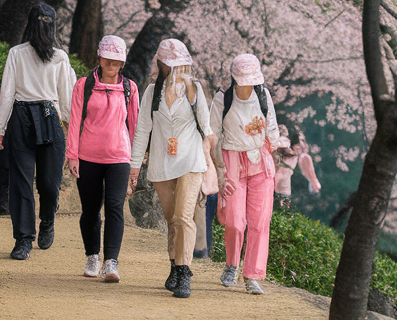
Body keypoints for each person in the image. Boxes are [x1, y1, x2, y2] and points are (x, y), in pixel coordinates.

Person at [129, 37, 214, 299]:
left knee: (183, 217)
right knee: (171, 220)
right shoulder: (151, 92)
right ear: (163, 64)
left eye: (181, 64)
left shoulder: (195, 89)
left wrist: (190, 94)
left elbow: (207, 128)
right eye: (172, 65)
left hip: (190, 161)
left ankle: (184, 272)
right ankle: (174, 265)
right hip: (162, 163)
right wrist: (133, 168)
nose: (177, 70)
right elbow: (142, 130)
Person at [0, 2, 76, 260]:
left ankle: (48, 218)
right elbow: (7, 91)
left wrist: (73, 131)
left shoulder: (60, 57)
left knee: (50, 183)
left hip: (50, 116)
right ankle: (23, 238)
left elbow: (67, 97)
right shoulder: (16, 53)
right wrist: (0, 126)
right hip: (21, 116)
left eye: (46, 21)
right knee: (21, 181)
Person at [66, 34, 140, 283]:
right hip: (88, 156)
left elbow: (134, 125)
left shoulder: (130, 88)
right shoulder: (83, 85)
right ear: (99, 58)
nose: (111, 64)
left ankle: (111, 262)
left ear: (122, 63)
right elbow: (75, 120)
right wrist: (72, 155)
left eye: (116, 60)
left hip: (119, 156)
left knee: (115, 208)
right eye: (107, 59)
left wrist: (135, 161)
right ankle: (92, 256)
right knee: (90, 210)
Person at [213, 53, 280, 295]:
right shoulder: (222, 99)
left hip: (260, 160)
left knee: (260, 221)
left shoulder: (263, 95)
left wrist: (277, 158)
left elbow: (271, 127)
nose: (246, 84)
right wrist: (219, 171)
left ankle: (252, 274)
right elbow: (212, 136)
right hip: (231, 159)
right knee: (234, 220)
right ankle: (231, 263)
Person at [274, 122, 321, 209]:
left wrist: (314, 184)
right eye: (301, 140)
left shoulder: (299, 156)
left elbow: (309, 172)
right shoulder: (284, 148)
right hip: (277, 182)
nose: (303, 145)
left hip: (284, 185)